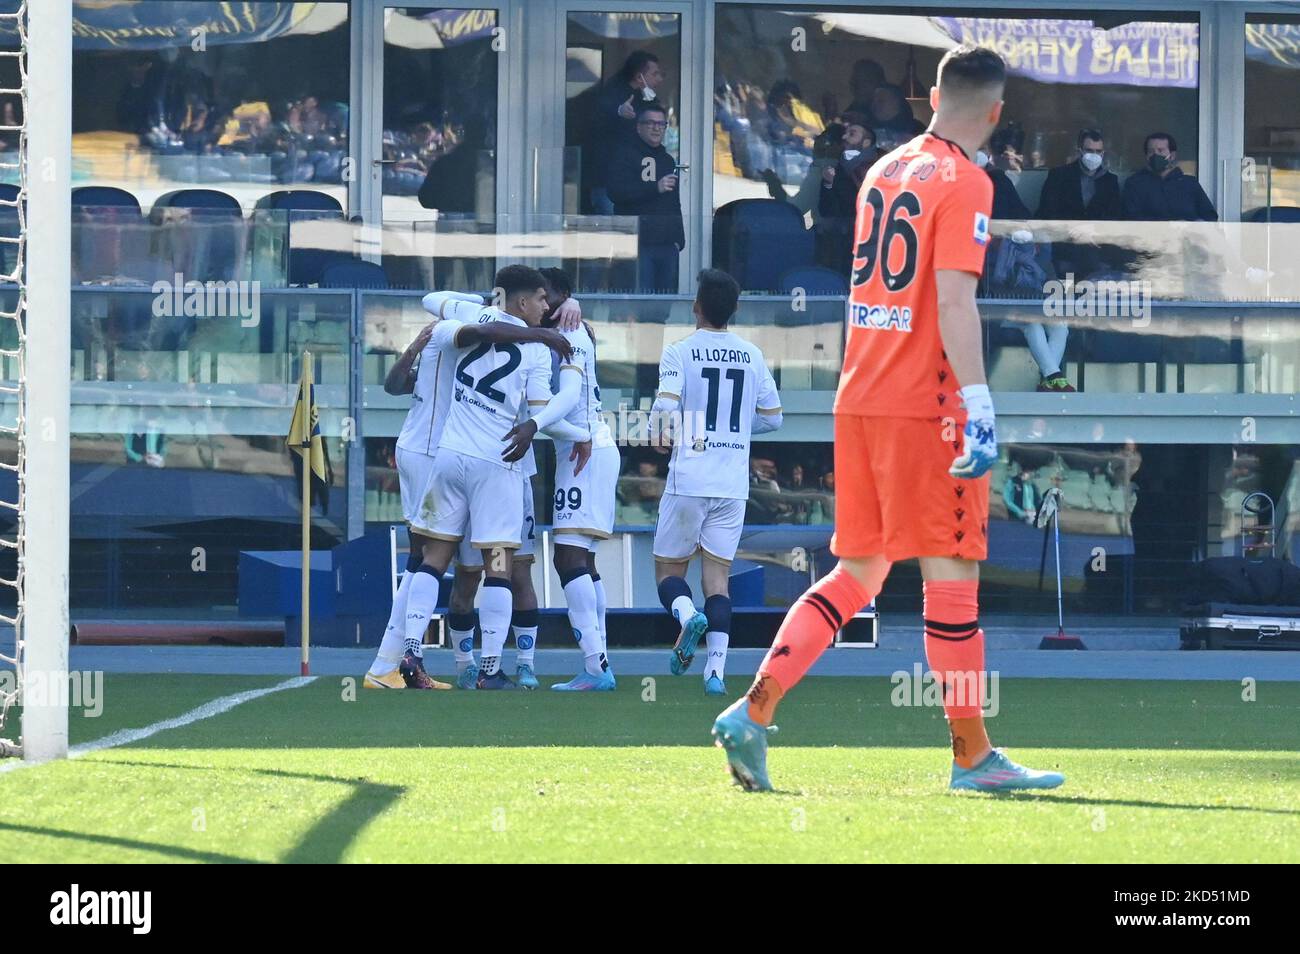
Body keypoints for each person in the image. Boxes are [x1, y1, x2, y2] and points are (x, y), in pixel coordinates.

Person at [713, 45, 1065, 794]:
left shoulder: (883, 168)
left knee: (860, 570)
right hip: (924, 403)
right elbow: (953, 300)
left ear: (932, 94)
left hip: (862, 393)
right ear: (997, 113)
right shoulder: (968, 181)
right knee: (953, 576)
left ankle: (755, 709)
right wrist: (978, 404)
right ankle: (971, 756)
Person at [363, 286, 574, 690]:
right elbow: (498, 338)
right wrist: (542, 335)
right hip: (445, 452)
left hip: (434, 451)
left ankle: (408, 657)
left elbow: (434, 303)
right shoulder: (488, 335)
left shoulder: (451, 325)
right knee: (487, 563)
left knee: (431, 560)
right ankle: (391, 665)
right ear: (521, 302)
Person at [652, 269, 783, 696]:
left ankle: (687, 614)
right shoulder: (753, 354)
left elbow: (666, 406)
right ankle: (715, 675)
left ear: (697, 306)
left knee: (668, 572)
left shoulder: (679, 351)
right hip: (732, 484)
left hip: (690, 476)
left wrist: (661, 433)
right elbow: (773, 417)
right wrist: (740, 431)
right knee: (719, 580)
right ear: (735, 310)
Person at [607, 102, 684, 292]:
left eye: (661, 124)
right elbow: (616, 192)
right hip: (638, 243)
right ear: (638, 126)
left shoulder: (667, 160)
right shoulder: (624, 155)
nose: (657, 128)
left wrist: (679, 238)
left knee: (664, 301)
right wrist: (654, 187)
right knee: (641, 297)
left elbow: (674, 202)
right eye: (651, 123)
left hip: (667, 244)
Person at [1037, 128, 1124, 279]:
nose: (1094, 155)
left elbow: (1114, 215)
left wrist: (1095, 231)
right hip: (1064, 244)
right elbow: (1047, 211)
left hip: (1097, 245)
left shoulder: (1110, 181)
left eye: (1098, 151)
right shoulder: (1059, 176)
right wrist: (1072, 231)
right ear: (1080, 151)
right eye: (1089, 150)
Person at [591, 51, 667, 214]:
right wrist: (619, 110)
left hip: (635, 180)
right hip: (610, 181)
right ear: (640, 78)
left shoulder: (644, 97)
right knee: (613, 233)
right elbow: (600, 113)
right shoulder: (612, 92)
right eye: (655, 74)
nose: (659, 79)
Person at [818, 113, 877, 274]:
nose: (845, 137)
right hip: (839, 240)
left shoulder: (875, 168)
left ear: (866, 142)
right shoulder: (837, 166)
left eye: (852, 133)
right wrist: (828, 184)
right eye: (846, 132)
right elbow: (826, 208)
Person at [1122, 132, 1217, 222]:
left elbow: (1210, 217)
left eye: (1160, 150)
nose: (1155, 155)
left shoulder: (1189, 184)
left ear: (1172, 155)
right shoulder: (1135, 184)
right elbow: (1131, 220)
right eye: (1151, 151)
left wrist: (1190, 226)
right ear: (1146, 155)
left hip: (1186, 238)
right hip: (1150, 238)